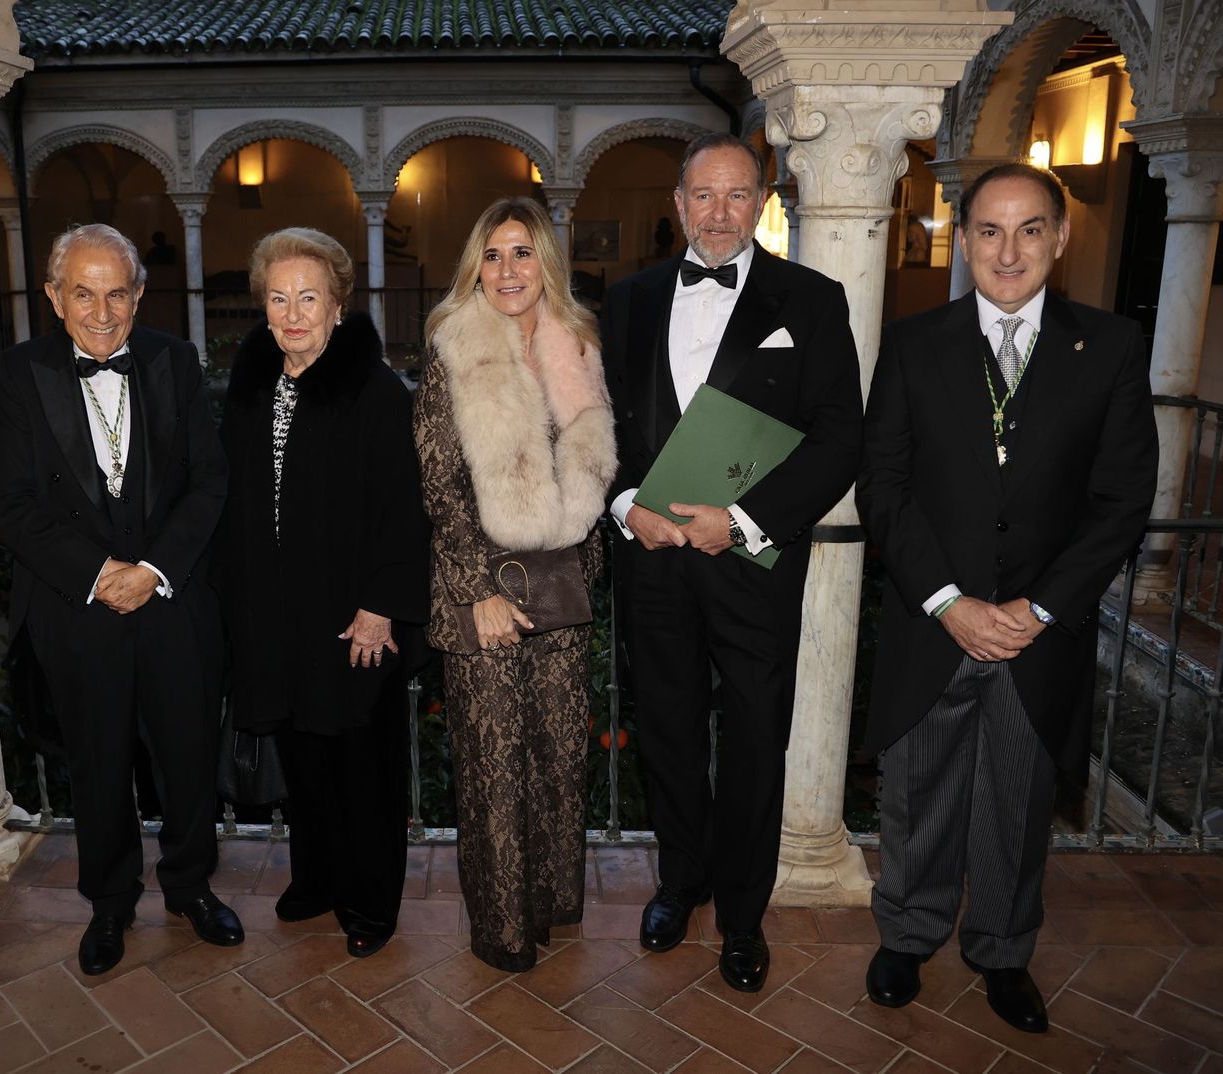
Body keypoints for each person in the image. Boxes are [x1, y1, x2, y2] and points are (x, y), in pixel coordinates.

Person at [857, 163, 1157, 1033]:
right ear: (967, 240)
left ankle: (1001, 950)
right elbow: (885, 487)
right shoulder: (915, 343)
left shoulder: (1109, 348)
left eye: (1030, 229)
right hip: (934, 622)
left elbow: (1122, 501)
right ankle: (907, 936)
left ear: (1060, 240)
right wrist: (949, 601)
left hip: (1040, 632)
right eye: (989, 230)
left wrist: (1038, 609)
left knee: (1018, 802)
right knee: (918, 794)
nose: (1009, 249)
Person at [601, 132, 861, 991]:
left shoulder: (813, 300)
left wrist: (744, 522)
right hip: (654, 564)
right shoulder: (626, 299)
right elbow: (596, 428)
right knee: (668, 733)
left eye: (737, 196)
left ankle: (744, 919)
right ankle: (681, 884)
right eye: (702, 197)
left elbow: (839, 440)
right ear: (678, 204)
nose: (718, 214)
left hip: (752, 564)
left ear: (764, 203)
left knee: (754, 740)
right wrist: (623, 507)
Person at [0, 223, 239, 976]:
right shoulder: (22, 373)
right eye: (83, 293)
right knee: (97, 764)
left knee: (188, 756)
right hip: (77, 607)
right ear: (55, 297)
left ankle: (191, 888)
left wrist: (152, 567)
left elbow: (208, 480)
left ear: (138, 295)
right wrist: (98, 573)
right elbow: (8, 498)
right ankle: (111, 903)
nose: (101, 310)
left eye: (116, 292)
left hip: (171, 598)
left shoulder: (175, 361)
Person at [213, 228, 429, 959]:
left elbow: (403, 509)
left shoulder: (373, 390)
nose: (293, 312)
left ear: (338, 305)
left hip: (351, 616)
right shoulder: (250, 387)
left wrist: (381, 607)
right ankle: (317, 878)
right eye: (278, 297)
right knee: (304, 755)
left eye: (309, 297)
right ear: (263, 307)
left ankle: (370, 901)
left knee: (361, 762)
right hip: (275, 615)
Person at [414, 197, 617, 971]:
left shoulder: (578, 343)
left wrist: (587, 563)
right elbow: (439, 483)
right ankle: (501, 928)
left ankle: (551, 901)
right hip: (485, 588)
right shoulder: (453, 346)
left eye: (523, 253)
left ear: (547, 265)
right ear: (476, 266)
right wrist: (476, 591)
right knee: (494, 765)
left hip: (562, 583)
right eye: (493, 255)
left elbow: (593, 460)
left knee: (559, 755)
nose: (508, 270)